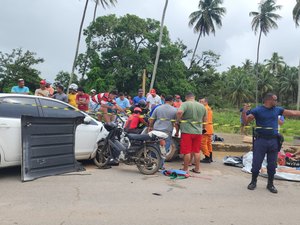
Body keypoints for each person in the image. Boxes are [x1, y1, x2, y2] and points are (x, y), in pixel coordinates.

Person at [243, 93, 300, 194]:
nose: (276, 101)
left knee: (272, 165)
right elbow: (246, 121)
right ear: (268, 100)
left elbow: (293, 113)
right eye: (275, 99)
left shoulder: (278, 110)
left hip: (274, 141)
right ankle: (253, 181)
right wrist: (244, 111)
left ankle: (270, 184)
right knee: (256, 163)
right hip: (261, 141)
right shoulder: (257, 110)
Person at [176, 92, 207, 174]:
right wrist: (204, 128)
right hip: (198, 132)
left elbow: (179, 112)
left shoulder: (185, 104)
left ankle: (185, 169)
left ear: (186, 97)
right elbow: (205, 119)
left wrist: (178, 120)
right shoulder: (202, 106)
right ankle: (197, 169)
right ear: (194, 97)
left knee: (187, 151)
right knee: (196, 151)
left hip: (187, 131)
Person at [148, 95, 178, 168]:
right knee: (164, 149)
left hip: (156, 130)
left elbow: (152, 119)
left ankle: (151, 164)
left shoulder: (158, 108)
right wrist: (177, 131)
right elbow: (176, 123)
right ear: (172, 101)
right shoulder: (174, 110)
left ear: (164, 101)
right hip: (166, 132)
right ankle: (160, 165)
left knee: (154, 147)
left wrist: (150, 127)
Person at [199, 97, 214, 163]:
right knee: (208, 143)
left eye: (202, 102)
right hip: (210, 128)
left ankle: (207, 157)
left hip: (206, 128)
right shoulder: (209, 108)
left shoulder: (204, 109)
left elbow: (203, 119)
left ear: (206, 102)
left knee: (203, 143)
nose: (200, 103)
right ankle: (210, 157)